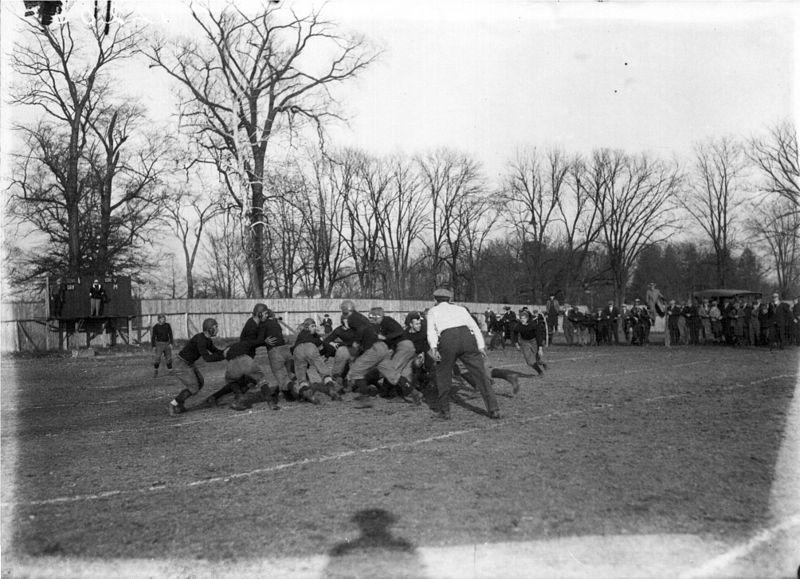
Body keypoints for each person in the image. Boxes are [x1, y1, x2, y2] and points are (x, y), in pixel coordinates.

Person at [426, 288, 499, 420]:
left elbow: (431, 331)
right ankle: (493, 409)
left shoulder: (432, 311)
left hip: (448, 339)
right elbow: (474, 327)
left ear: (435, 299)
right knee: (480, 375)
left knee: (443, 375)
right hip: (467, 338)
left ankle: (444, 411)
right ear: (450, 299)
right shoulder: (461, 309)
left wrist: (434, 347)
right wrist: (481, 346)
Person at [340, 300, 412, 408]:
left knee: (356, 370)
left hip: (375, 348)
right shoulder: (360, 316)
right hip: (383, 347)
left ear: (344, 311)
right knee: (392, 374)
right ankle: (414, 393)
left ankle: (365, 399)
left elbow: (361, 329)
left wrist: (357, 341)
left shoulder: (352, 318)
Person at [167, 318, 226, 416]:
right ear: (209, 329)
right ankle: (173, 404)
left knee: (200, 383)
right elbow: (207, 358)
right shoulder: (201, 340)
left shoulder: (206, 339)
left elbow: (216, 352)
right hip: (181, 364)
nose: (217, 329)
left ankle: (180, 403)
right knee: (194, 387)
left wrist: (228, 351)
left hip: (187, 363)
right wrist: (223, 356)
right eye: (215, 327)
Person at [291, 317, 340, 402]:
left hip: (297, 350)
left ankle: (307, 392)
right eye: (312, 326)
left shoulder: (300, 335)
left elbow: (293, 348)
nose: (315, 328)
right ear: (307, 327)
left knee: (301, 377)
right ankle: (331, 389)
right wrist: (328, 354)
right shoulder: (314, 336)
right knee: (323, 370)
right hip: (310, 348)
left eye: (315, 326)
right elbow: (324, 346)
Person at [515, 309, 545, 376]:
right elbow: (514, 333)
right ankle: (540, 372)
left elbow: (538, 336)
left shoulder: (533, 325)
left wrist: (540, 348)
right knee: (529, 361)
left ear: (527, 319)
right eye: (521, 318)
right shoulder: (519, 326)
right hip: (524, 342)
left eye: (524, 318)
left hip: (533, 341)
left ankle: (543, 363)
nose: (522, 320)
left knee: (539, 358)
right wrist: (516, 343)